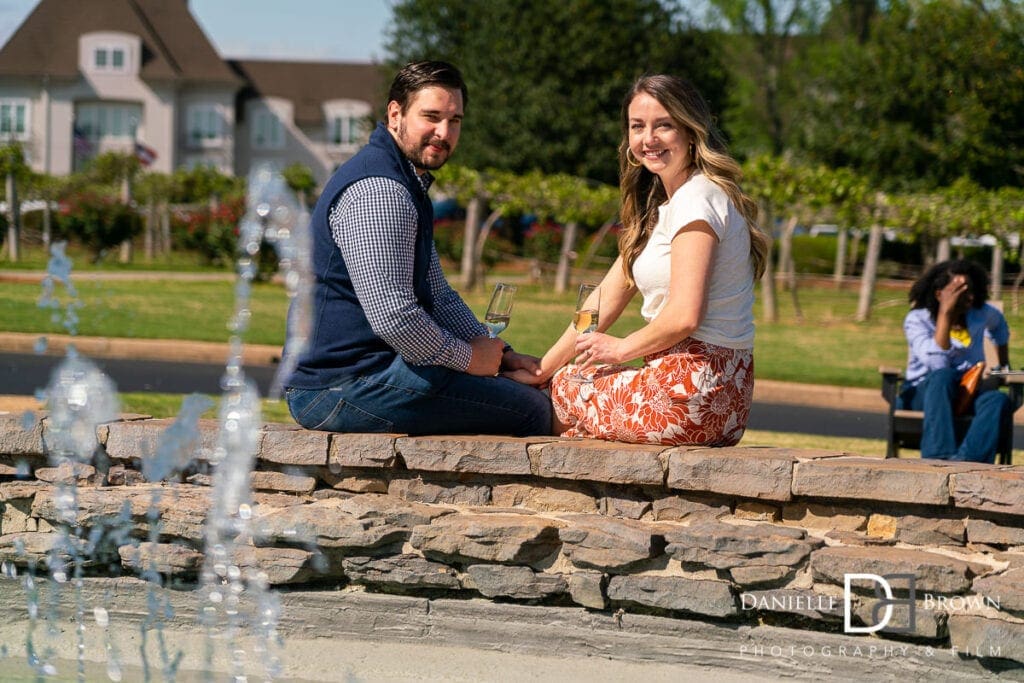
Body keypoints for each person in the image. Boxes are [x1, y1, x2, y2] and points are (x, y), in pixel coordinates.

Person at [284, 61, 551, 436]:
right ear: (396, 114)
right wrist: (471, 359)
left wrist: (501, 356)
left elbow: (439, 296)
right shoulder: (382, 190)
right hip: (338, 388)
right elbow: (395, 317)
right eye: (431, 116)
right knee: (532, 410)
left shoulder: (407, 183)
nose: (444, 132)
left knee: (519, 390)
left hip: (365, 375)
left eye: (455, 119)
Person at [506, 74, 769, 446]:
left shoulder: (697, 201)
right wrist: (543, 366)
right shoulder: (666, 208)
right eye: (637, 127)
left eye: (664, 125)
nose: (649, 139)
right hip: (716, 396)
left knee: (552, 395)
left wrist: (619, 347)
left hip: (690, 395)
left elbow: (684, 315)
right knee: (559, 380)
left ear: (691, 131)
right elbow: (603, 299)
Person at [897, 259, 1012, 462]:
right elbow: (937, 365)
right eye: (959, 289)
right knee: (943, 376)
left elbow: (1000, 327)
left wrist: (1003, 365)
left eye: (970, 289)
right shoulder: (918, 319)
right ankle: (938, 459)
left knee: (997, 399)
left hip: (965, 393)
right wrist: (945, 314)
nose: (969, 296)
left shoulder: (981, 314)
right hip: (924, 395)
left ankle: (969, 465)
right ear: (940, 293)